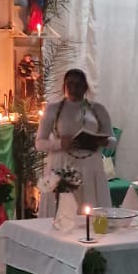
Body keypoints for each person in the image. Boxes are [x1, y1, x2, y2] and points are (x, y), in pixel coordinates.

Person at [36, 68, 114, 214]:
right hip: (62, 165)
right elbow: (39, 143)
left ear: (85, 87)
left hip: (90, 167)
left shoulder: (98, 109)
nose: (73, 88)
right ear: (64, 85)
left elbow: (112, 140)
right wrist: (59, 143)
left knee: (90, 211)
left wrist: (104, 141)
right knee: (63, 211)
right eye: (70, 84)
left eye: (78, 84)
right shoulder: (53, 109)